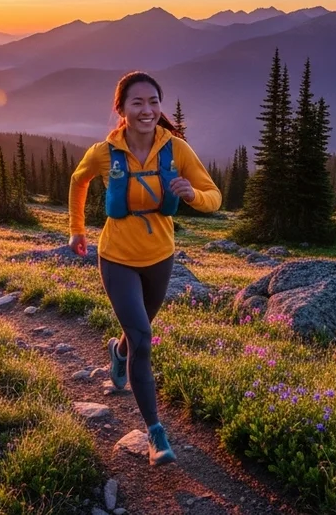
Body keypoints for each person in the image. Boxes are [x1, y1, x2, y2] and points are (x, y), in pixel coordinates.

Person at [68, 71, 222, 467]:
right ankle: (156, 433)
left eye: (154, 101)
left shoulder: (177, 150)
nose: (148, 110)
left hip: (160, 257)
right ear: (120, 109)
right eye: (137, 103)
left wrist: (193, 196)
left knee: (134, 339)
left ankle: (118, 351)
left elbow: (214, 196)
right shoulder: (105, 152)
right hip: (117, 257)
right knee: (144, 337)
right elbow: (78, 180)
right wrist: (77, 230)